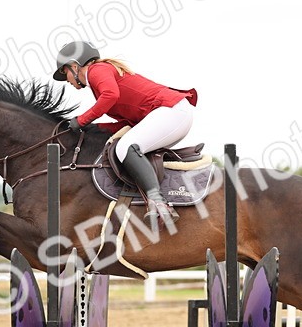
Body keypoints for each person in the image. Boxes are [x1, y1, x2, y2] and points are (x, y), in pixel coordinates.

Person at [53, 40, 197, 232]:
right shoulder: (99, 78)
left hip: (172, 111)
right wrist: (93, 128)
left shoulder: (97, 70)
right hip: (171, 114)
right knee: (128, 147)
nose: (67, 80)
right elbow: (125, 123)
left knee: (126, 148)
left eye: (66, 73)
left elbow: (110, 95)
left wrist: (82, 120)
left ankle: (158, 202)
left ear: (75, 65)